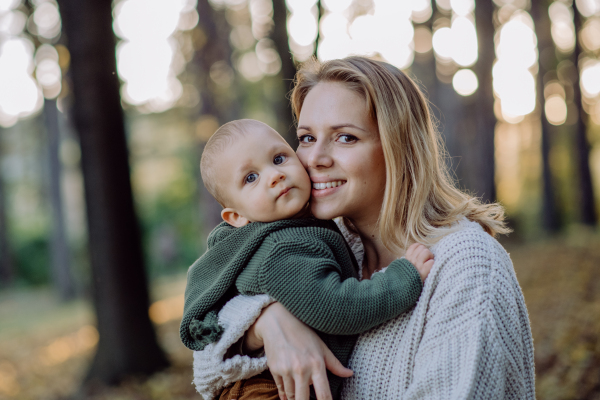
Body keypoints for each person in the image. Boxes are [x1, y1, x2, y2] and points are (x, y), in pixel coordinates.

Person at [191, 57, 536, 400]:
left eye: (345, 138)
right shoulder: (336, 245)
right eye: (307, 138)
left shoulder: (465, 265)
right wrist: (266, 323)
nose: (314, 159)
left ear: (398, 147)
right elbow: (204, 363)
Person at [181, 118, 434, 400]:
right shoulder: (281, 248)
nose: (274, 175)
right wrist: (403, 278)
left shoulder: (295, 229)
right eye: (250, 178)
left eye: (279, 158)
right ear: (237, 217)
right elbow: (337, 307)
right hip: (268, 390)